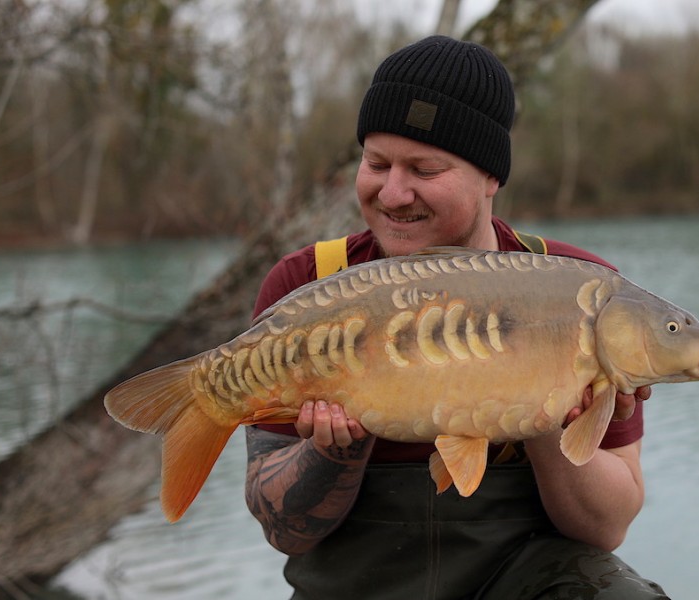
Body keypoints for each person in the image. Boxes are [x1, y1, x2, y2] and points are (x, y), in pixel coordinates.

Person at [245, 35, 668, 600]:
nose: (393, 193)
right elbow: (283, 531)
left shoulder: (582, 291)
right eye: (376, 163)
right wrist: (333, 449)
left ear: (491, 177)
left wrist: (539, 408)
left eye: (424, 168)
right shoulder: (308, 286)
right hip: (353, 582)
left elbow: (604, 529)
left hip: (526, 576)